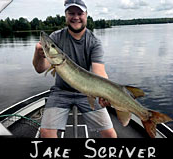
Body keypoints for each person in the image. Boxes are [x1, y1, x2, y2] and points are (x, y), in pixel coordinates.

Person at [32, 0, 117, 138]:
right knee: (46, 132)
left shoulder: (94, 41)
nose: (75, 17)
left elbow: (99, 72)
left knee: (110, 134)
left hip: (88, 93)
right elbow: (40, 69)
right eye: (71, 13)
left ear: (86, 15)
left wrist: (106, 94)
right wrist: (38, 53)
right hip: (61, 92)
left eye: (79, 13)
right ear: (65, 15)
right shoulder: (55, 37)